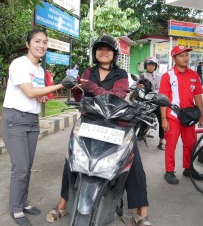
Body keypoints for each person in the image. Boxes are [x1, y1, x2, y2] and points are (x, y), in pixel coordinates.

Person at [46, 35, 151, 226]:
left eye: (108, 49)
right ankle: (63, 203)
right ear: (95, 53)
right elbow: (81, 97)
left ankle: (141, 210)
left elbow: (116, 96)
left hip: (117, 124)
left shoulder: (120, 74)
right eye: (100, 49)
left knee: (132, 161)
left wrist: (92, 87)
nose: (104, 52)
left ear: (114, 54)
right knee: (72, 158)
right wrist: (77, 86)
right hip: (89, 122)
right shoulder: (88, 71)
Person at [0, 29, 65, 226]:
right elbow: (28, 92)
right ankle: (16, 209)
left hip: (31, 120)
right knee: (20, 167)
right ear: (28, 44)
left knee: (26, 167)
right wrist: (61, 85)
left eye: (45, 42)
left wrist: (42, 96)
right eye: (37, 41)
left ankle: (23, 201)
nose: (41, 46)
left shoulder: (39, 70)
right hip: (14, 119)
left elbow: (35, 93)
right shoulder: (19, 64)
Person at [159, 45, 203, 185]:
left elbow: (198, 96)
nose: (185, 58)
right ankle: (169, 171)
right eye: (181, 55)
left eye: (186, 55)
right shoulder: (167, 76)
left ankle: (188, 168)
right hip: (173, 116)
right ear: (174, 58)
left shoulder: (194, 75)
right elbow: (163, 99)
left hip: (189, 116)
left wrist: (201, 115)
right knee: (171, 144)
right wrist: (164, 119)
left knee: (190, 144)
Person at [138, 56, 165, 151]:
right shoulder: (141, 76)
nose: (151, 66)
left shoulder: (158, 77)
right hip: (142, 100)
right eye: (149, 64)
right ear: (146, 66)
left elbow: (160, 89)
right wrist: (138, 86)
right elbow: (134, 85)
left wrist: (152, 92)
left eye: (153, 65)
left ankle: (161, 141)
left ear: (155, 66)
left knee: (162, 119)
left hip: (154, 100)